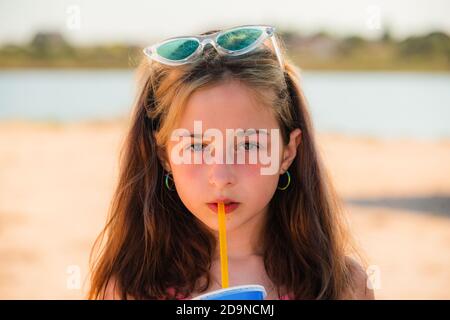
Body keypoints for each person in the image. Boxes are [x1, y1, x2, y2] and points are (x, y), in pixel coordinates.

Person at [87, 24, 375, 300]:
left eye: (249, 145)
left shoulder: (344, 285)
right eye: (196, 146)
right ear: (164, 155)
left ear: (287, 152)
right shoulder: (128, 290)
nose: (221, 176)